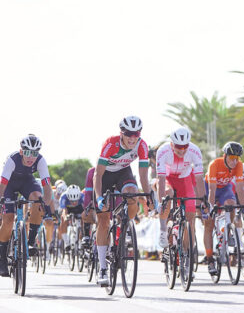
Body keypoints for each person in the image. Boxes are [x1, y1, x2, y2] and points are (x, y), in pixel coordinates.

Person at [93, 116, 154, 287]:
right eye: (128, 134)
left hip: (123, 173)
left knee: (133, 195)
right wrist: (99, 197)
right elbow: (98, 174)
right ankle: (102, 269)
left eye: (136, 134)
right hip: (105, 176)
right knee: (103, 220)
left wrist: (149, 196)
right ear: (121, 133)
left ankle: (125, 226)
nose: (132, 138)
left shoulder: (142, 145)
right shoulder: (110, 144)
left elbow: (143, 175)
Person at [0, 135, 53, 276]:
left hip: (27, 182)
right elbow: (3, 184)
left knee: (38, 198)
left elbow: (47, 186)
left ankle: (30, 242)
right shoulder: (12, 160)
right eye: (28, 152)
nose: (31, 157)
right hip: (9, 184)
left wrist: (45, 203)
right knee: (8, 219)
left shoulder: (40, 161)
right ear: (21, 151)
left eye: (34, 153)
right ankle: (2, 258)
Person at [155, 127, 206, 251]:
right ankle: (163, 230)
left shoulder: (194, 150)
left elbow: (199, 178)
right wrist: (161, 202)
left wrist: (203, 200)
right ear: (172, 144)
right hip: (168, 178)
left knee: (191, 217)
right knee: (168, 194)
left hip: (184, 179)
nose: (182, 150)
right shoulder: (163, 151)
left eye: (185, 146)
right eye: (178, 146)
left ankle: (187, 254)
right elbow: (161, 179)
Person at [204, 141, 244, 276]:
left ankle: (228, 231)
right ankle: (210, 259)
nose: (235, 161)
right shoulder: (215, 164)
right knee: (209, 223)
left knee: (231, 203)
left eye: (237, 158)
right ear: (225, 156)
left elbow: (239, 188)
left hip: (225, 188)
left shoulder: (239, 165)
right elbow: (212, 190)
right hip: (210, 188)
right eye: (232, 158)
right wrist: (211, 207)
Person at [59, 185, 85, 253]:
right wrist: (65, 217)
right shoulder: (63, 197)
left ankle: (80, 242)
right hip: (68, 209)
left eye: (76, 201)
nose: (74, 203)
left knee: (84, 221)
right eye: (72, 201)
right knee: (63, 220)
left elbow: (85, 210)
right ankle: (66, 243)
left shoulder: (82, 196)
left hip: (79, 208)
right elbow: (64, 211)